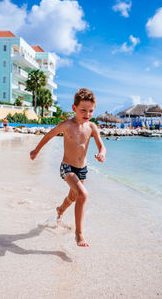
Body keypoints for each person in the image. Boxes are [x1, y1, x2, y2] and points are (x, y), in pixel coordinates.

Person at [30, 88, 106, 247]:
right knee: (83, 195)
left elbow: (102, 146)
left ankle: (60, 210)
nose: (87, 114)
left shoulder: (92, 127)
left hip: (82, 169)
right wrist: (36, 150)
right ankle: (79, 234)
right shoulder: (67, 125)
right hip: (67, 167)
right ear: (74, 108)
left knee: (73, 197)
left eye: (91, 111)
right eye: (83, 110)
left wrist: (101, 154)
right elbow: (49, 135)